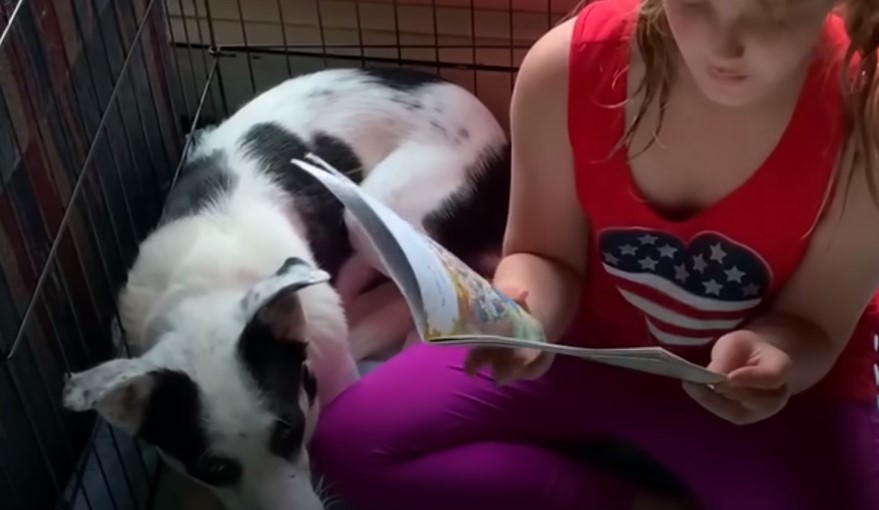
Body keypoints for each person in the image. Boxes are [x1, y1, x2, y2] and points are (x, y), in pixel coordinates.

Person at [310, 0, 879, 508]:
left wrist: (776, 356)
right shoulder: (566, 69)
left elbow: (817, 325)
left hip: (759, 396)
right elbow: (542, 252)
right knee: (348, 447)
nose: (726, 42)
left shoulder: (863, 114)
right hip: (584, 347)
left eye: (774, 9)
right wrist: (522, 310)